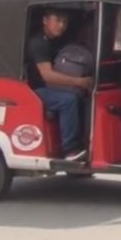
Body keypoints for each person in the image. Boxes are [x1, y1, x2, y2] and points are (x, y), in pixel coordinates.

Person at [25, 9, 93, 161]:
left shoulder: (57, 41)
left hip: (49, 87)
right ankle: (70, 150)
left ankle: (85, 143)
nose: (61, 25)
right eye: (58, 20)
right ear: (45, 20)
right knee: (68, 100)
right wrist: (80, 82)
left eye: (65, 22)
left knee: (83, 97)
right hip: (34, 91)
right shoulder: (38, 42)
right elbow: (48, 76)